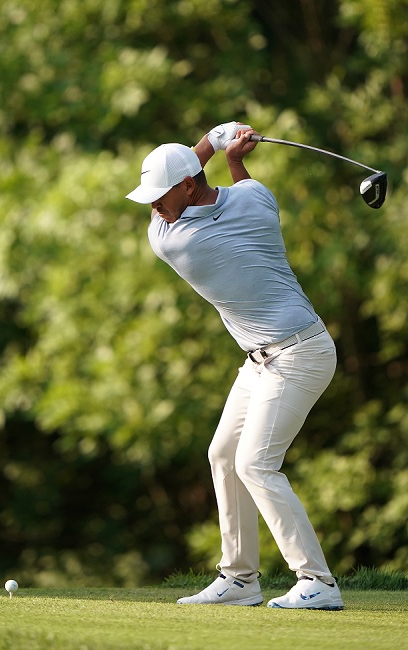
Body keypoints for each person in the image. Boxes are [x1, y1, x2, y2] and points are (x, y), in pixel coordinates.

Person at [126, 121, 343, 610]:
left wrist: (213, 140)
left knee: (254, 464)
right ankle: (240, 579)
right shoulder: (258, 199)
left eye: (159, 195)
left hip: (298, 352)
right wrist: (232, 154)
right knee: (223, 455)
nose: (154, 207)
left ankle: (318, 582)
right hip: (265, 357)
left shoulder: (176, 241)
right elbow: (239, 185)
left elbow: (204, 174)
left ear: (185, 185)